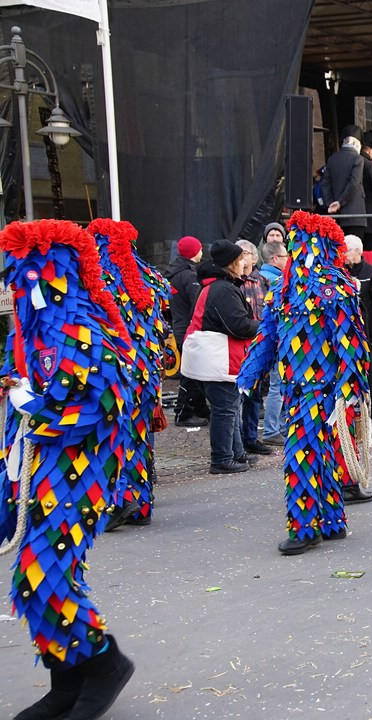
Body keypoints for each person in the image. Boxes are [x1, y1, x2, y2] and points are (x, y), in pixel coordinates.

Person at [1, 219, 136, 720]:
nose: (25, 284)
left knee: (45, 574)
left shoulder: (84, 329)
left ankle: (105, 664)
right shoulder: (39, 335)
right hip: (43, 470)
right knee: (32, 579)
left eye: (34, 273)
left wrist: (33, 408)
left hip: (83, 470)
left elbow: (100, 401)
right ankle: (67, 679)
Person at [237, 212, 370, 555]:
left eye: (300, 239)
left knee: (302, 454)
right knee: (320, 453)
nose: (294, 246)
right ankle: (331, 521)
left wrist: (350, 390)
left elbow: (350, 343)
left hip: (323, 389)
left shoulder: (334, 287)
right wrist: (249, 374)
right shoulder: (283, 290)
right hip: (296, 389)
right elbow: (267, 336)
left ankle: (304, 527)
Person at [89, 218, 171, 531]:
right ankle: (141, 505)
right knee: (139, 438)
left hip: (115, 372)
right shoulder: (151, 277)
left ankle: (118, 500)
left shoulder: (95, 278)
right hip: (147, 373)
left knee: (113, 437)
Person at [181, 240, 261, 474]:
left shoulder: (214, 285)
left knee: (230, 408)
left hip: (212, 357)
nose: (244, 263)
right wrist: (263, 325)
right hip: (219, 358)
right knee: (226, 409)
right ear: (232, 263)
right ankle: (222, 458)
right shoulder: (223, 289)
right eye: (240, 260)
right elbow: (238, 325)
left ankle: (235, 453)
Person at [165, 235, 210, 426]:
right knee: (191, 374)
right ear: (194, 252)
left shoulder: (175, 273)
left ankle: (199, 409)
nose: (202, 252)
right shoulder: (189, 276)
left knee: (192, 371)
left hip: (180, 327)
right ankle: (183, 412)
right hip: (189, 330)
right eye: (199, 249)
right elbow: (198, 303)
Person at [343, 234, 372, 419]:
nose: (342, 254)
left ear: (357, 251)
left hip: (366, 330)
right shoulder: (341, 272)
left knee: (368, 367)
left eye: (345, 250)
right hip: (345, 329)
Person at [235, 239, 272, 456]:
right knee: (238, 395)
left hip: (258, 344)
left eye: (246, 253)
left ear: (255, 257)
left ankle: (250, 437)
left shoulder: (263, 281)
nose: (242, 256)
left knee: (255, 395)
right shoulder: (233, 282)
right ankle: (237, 439)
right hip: (239, 343)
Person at [258, 225, 290, 446]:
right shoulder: (273, 281)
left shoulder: (261, 277)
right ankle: (271, 430)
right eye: (286, 256)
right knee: (277, 385)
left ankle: (276, 427)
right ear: (275, 258)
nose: (288, 260)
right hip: (277, 338)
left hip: (271, 338)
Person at [323, 125, 368, 240]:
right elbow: (354, 182)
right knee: (354, 251)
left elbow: (325, 184)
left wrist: (331, 204)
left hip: (336, 215)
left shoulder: (332, 159)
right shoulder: (358, 159)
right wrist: (340, 202)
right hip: (355, 216)